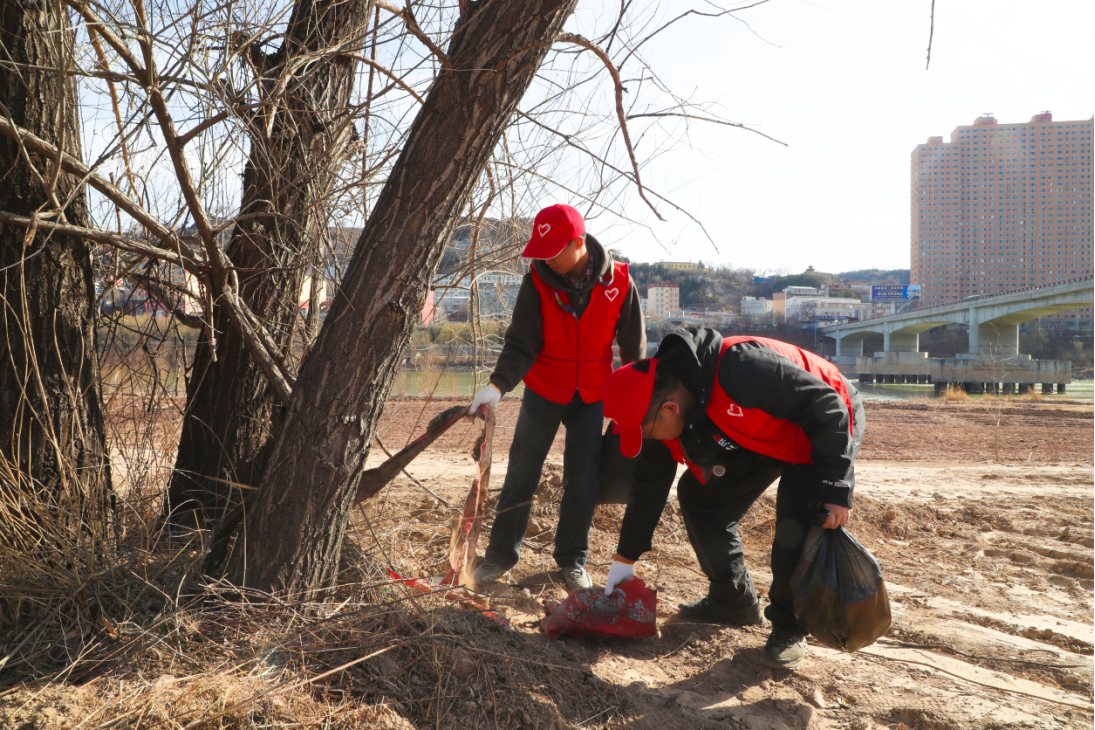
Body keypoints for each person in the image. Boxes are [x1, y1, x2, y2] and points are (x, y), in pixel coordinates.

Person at [599, 327, 864, 670]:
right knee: (700, 496)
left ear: (670, 408)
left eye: (644, 432)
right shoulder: (661, 412)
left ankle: (790, 627)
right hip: (761, 435)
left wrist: (836, 487)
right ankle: (734, 602)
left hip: (825, 423)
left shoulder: (740, 369)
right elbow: (647, 488)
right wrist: (623, 564)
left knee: (795, 520)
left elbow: (827, 407)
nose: (646, 439)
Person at [469, 204, 645, 591]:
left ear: (578, 244)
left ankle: (572, 559)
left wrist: (635, 401)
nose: (546, 260)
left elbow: (633, 349)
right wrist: (497, 385)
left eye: (552, 252)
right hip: (544, 390)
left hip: (592, 394)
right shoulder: (537, 281)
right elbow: (522, 342)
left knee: (583, 480)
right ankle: (499, 556)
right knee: (521, 474)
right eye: (541, 252)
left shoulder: (619, 282)